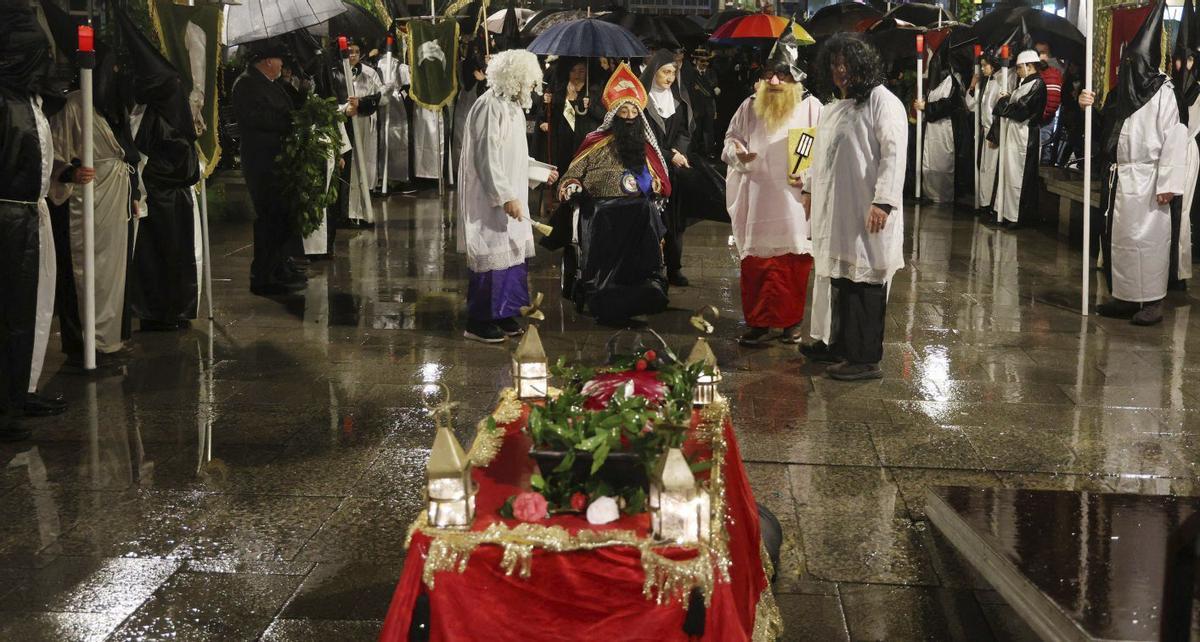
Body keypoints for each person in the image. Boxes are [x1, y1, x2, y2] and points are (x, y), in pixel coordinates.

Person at [1080, 0, 1187, 325]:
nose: (1130, 68)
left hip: (1150, 178)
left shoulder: (1163, 93)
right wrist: (1087, 108)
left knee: (1148, 240)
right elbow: (1107, 133)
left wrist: (1168, 183)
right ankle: (1124, 296)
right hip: (1121, 178)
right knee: (1121, 240)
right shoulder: (1120, 94)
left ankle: (1152, 301)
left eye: (1135, 62)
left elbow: (1175, 137)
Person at [807, 34, 907, 381]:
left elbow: (894, 154)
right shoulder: (837, 106)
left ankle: (864, 358)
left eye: (846, 64)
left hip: (868, 211)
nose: (840, 71)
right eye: (834, 65)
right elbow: (822, 155)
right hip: (838, 211)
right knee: (842, 278)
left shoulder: (882, 101)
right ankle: (841, 347)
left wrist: (883, 201)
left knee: (865, 280)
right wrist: (808, 188)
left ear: (863, 65)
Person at [722, 28, 822, 346]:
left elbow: (823, 147)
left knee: (793, 261)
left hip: (794, 199)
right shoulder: (749, 106)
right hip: (758, 195)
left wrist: (808, 177)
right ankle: (759, 322)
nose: (775, 82)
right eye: (770, 75)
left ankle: (790, 322)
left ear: (794, 77)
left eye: (781, 75)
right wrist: (739, 154)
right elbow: (731, 139)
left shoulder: (812, 107)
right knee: (756, 263)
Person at [555, 62, 674, 324]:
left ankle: (645, 285)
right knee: (603, 215)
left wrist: (655, 184)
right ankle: (602, 288)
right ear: (614, 113)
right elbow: (571, 174)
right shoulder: (594, 142)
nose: (630, 115)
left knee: (645, 211)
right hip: (599, 208)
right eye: (625, 110)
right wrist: (572, 185)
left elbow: (661, 179)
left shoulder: (645, 147)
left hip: (636, 207)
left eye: (634, 110)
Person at [457, 50, 557, 343]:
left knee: (512, 255)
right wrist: (504, 196)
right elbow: (487, 157)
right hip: (490, 201)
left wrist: (540, 173)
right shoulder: (489, 107)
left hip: (511, 194)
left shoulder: (512, 107)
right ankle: (478, 321)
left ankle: (504, 312)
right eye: (527, 83)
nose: (530, 89)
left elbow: (515, 156)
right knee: (490, 256)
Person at [49, 50, 138, 359]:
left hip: (114, 197)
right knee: (85, 270)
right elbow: (55, 151)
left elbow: (128, 152)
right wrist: (69, 171)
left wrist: (136, 191)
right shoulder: (75, 105)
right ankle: (83, 344)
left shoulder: (116, 108)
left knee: (113, 272)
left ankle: (110, 337)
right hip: (85, 199)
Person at [1, 0, 63, 440]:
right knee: (9, 314)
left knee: (34, 309)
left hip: (30, 214)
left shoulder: (30, 99)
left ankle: (21, 388)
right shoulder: (5, 102)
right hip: (7, 218)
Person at [118, 9, 202, 332]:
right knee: (161, 260)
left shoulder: (164, 113)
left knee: (172, 259)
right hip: (161, 197)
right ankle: (161, 312)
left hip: (169, 196)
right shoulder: (158, 117)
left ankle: (170, 310)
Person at [232, 38, 303, 296]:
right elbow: (254, 118)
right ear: (268, 61)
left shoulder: (272, 83)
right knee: (269, 216)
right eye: (279, 60)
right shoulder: (246, 84)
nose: (282, 65)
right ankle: (263, 274)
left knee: (281, 215)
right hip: (261, 160)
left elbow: (292, 104)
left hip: (278, 158)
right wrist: (287, 121)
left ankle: (280, 266)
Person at [640, 51, 694, 287]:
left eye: (673, 72)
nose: (670, 77)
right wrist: (668, 155)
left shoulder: (677, 101)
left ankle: (674, 267)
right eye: (665, 71)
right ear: (653, 72)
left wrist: (678, 151)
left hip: (673, 169)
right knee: (651, 220)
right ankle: (650, 268)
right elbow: (641, 138)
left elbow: (684, 130)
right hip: (649, 169)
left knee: (675, 221)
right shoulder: (642, 102)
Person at [989, 50, 1047, 229]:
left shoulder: (1037, 85)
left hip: (1024, 136)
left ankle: (1016, 216)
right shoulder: (1025, 84)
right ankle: (1005, 212)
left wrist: (1003, 103)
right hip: (1014, 134)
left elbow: (1021, 110)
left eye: (1019, 68)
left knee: (1019, 176)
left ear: (1029, 66)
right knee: (1009, 173)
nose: (1018, 71)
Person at [340, 41, 381, 228]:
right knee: (348, 169)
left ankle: (360, 211)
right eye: (349, 52)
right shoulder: (337, 72)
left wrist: (362, 103)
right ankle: (346, 213)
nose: (353, 55)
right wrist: (345, 108)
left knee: (362, 167)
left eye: (357, 52)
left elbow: (381, 97)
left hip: (363, 123)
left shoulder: (369, 73)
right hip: (344, 124)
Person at [966, 51, 1007, 217]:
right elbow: (973, 106)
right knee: (983, 168)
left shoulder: (1001, 82)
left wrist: (995, 134)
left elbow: (998, 112)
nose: (982, 69)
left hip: (993, 131)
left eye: (985, 65)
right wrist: (972, 86)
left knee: (991, 168)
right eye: (981, 65)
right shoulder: (987, 82)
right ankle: (983, 203)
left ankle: (990, 205)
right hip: (984, 130)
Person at [1035, 40, 1064, 164]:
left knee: (1042, 144)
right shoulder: (1057, 68)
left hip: (1043, 115)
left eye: (1043, 52)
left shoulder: (1052, 69)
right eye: (1037, 53)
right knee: (1045, 144)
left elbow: (1052, 98)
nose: (1040, 56)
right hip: (1046, 115)